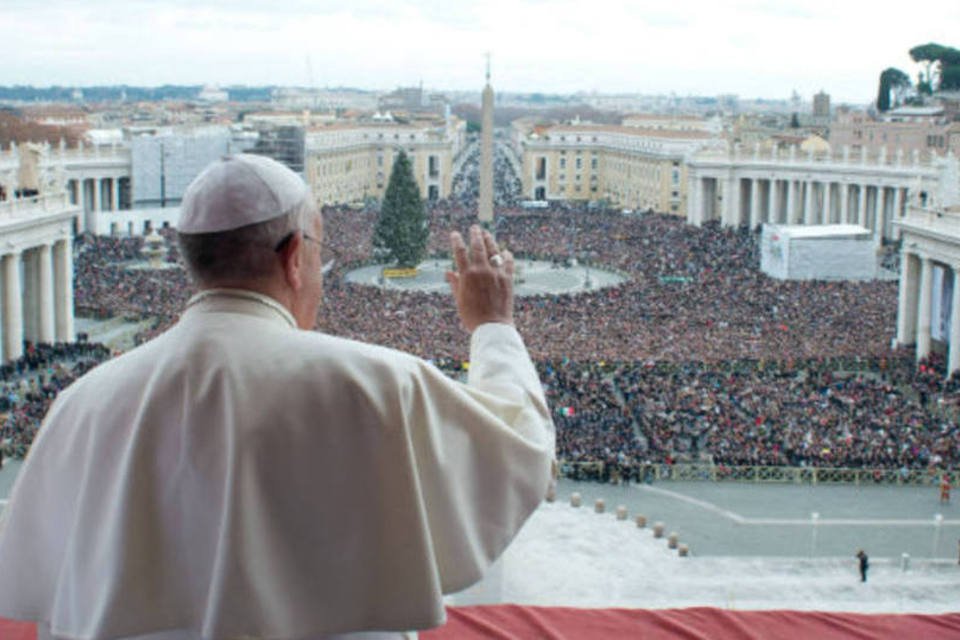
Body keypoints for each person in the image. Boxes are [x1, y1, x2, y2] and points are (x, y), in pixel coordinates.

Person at [0, 154, 556, 640]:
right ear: (294, 256)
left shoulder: (82, 404)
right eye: (318, 250)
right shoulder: (378, 383)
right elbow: (522, 449)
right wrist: (493, 327)